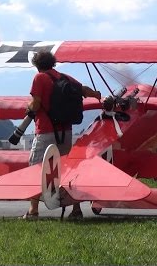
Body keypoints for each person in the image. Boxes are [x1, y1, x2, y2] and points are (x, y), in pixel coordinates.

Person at [21, 50, 101, 220]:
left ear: (37, 65)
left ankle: (33, 210)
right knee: (67, 171)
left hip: (46, 131)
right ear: (53, 62)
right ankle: (76, 210)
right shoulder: (64, 77)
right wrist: (97, 95)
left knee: (35, 169)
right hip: (66, 132)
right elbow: (84, 90)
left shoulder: (39, 78)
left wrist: (28, 107)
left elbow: (35, 104)